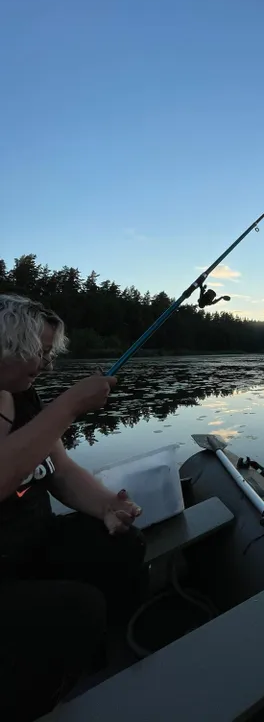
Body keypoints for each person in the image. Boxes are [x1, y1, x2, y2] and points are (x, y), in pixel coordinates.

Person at [0, 294, 147, 721]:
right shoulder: (46, 405)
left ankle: (87, 666)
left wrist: (106, 505)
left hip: (30, 545)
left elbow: (60, 469)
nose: (47, 364)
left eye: (50, 353)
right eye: (39, 353)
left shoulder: (24, 398)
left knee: (123, 547)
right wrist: (68, 406)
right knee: (78, 607)